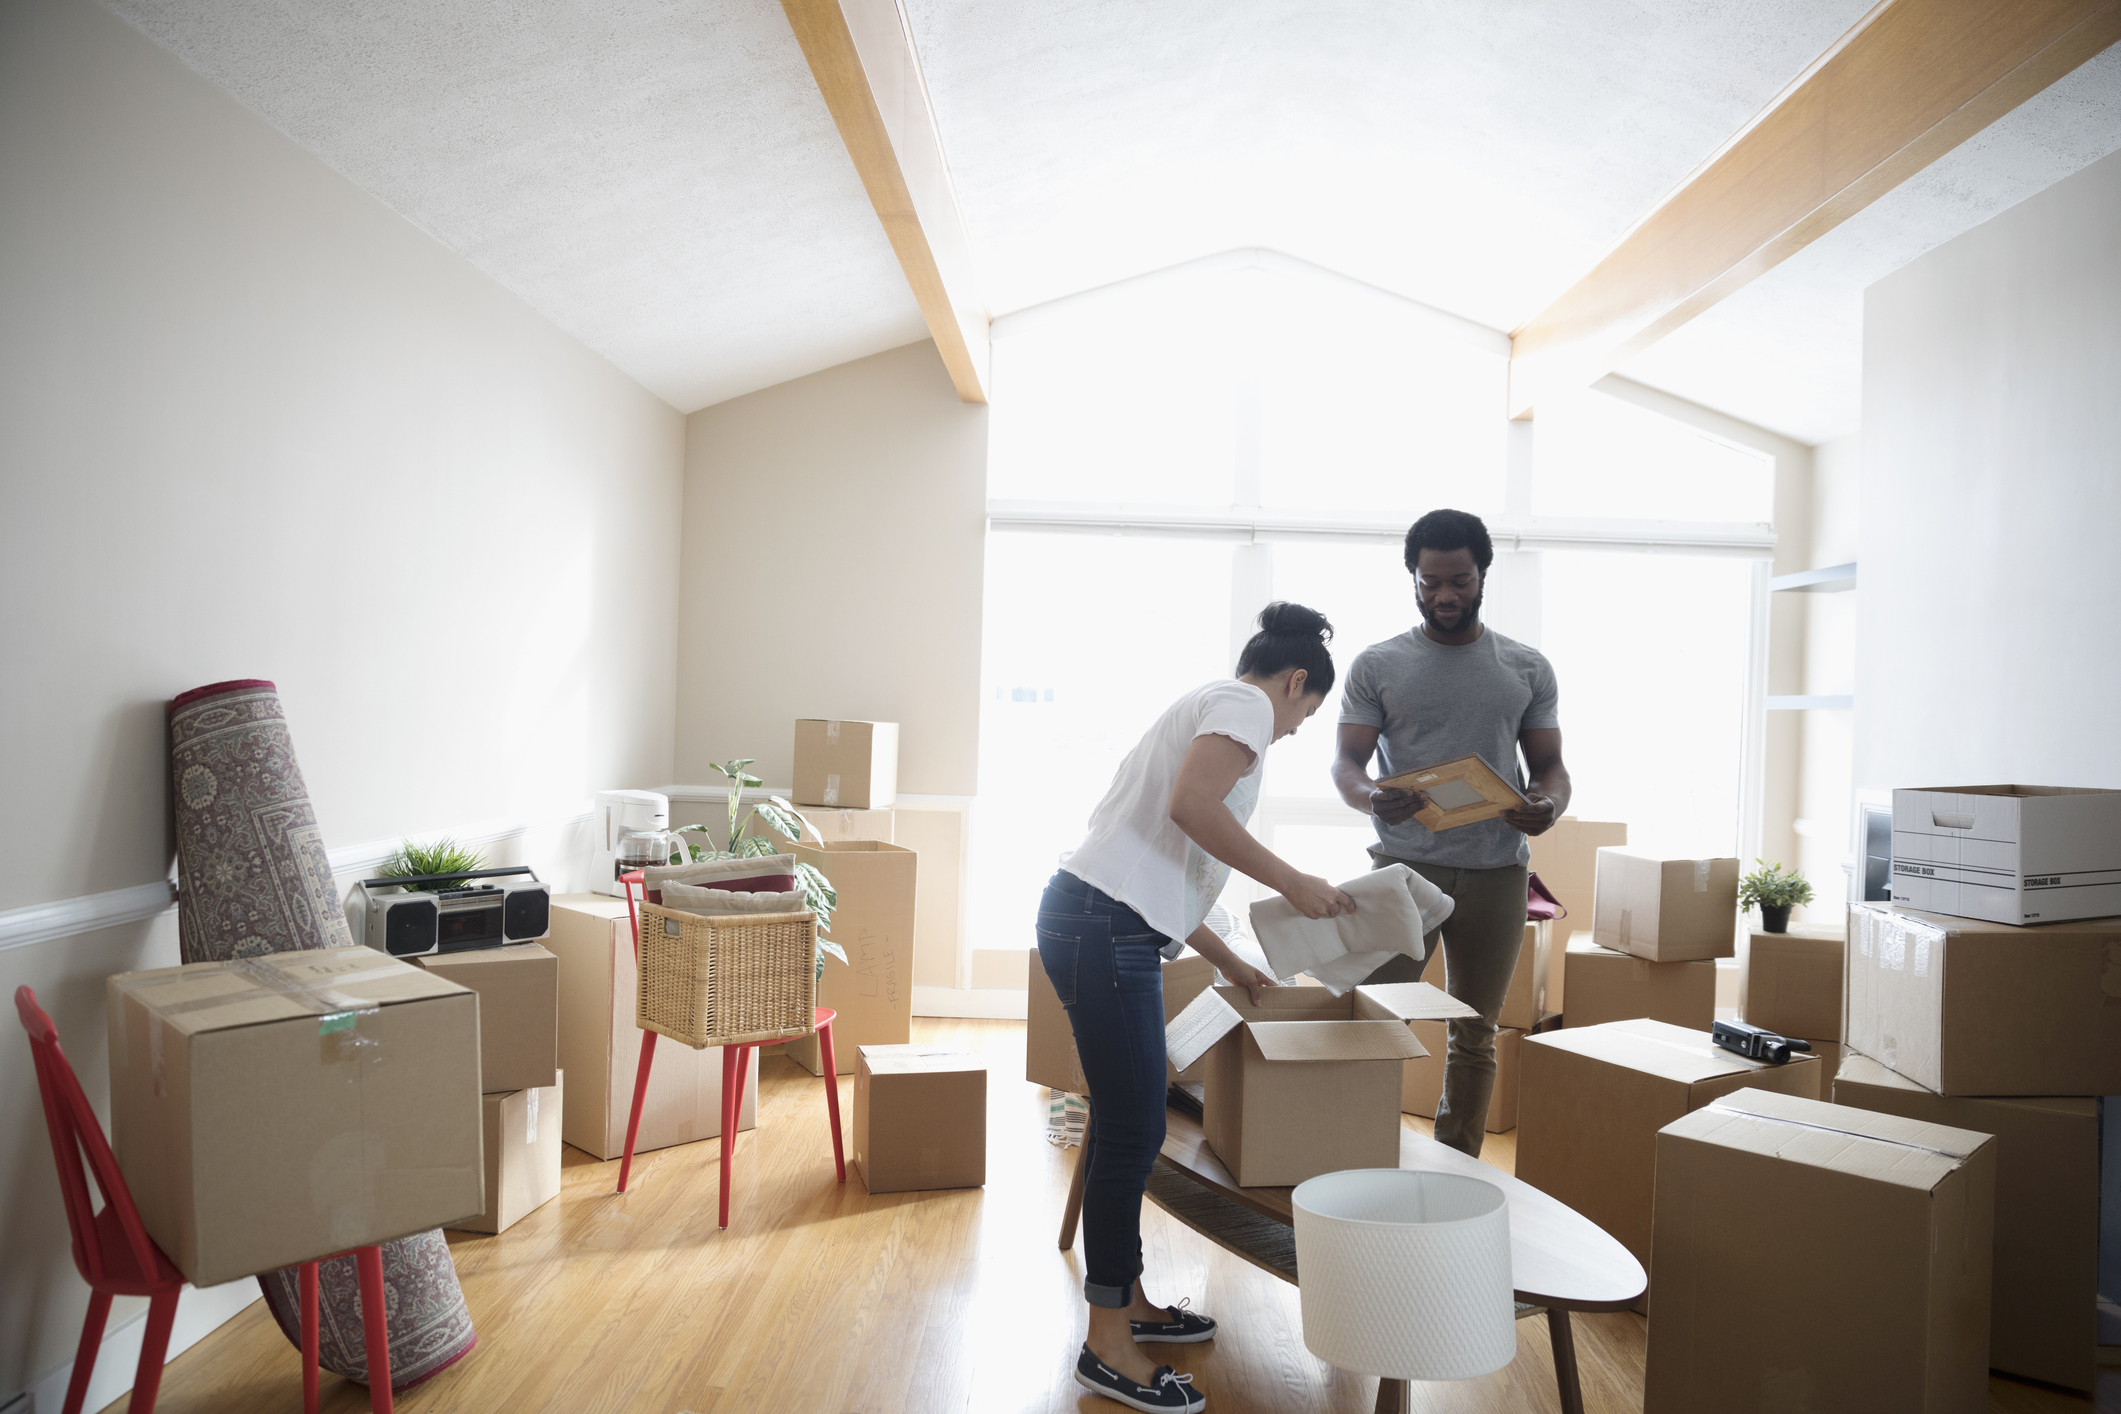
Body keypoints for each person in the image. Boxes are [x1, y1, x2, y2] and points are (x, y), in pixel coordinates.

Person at [1039, 602, 1355, 1414]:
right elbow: (1192, 810)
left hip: (1098, 917)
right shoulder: (1245, 705)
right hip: (1102, 926)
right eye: (1304, 716)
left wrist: (1232, 961)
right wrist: (1294, 884)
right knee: (1137, 1126)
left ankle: (1129, 1304)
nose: (1287, 734)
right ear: (1293, 683)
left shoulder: (1208, 705)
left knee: (1121, 1119)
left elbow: (1165, 864)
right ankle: (1105, 1345)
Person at [1331, 508, 1570, 1157]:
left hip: (1497, 873)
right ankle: (1361, 1154)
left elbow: (1548, 768)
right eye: (1429, 581)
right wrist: (1373, 799)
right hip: (1404, 870)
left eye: (1458, 581)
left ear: (1482, 575)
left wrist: (1546, 804)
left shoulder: (1524, 667)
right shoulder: (1377, 663)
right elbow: (1347, 765)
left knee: (1475, 1030)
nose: (1443, 595)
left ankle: (1457, 1164)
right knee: (1377, 1020)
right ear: (1412, 577)